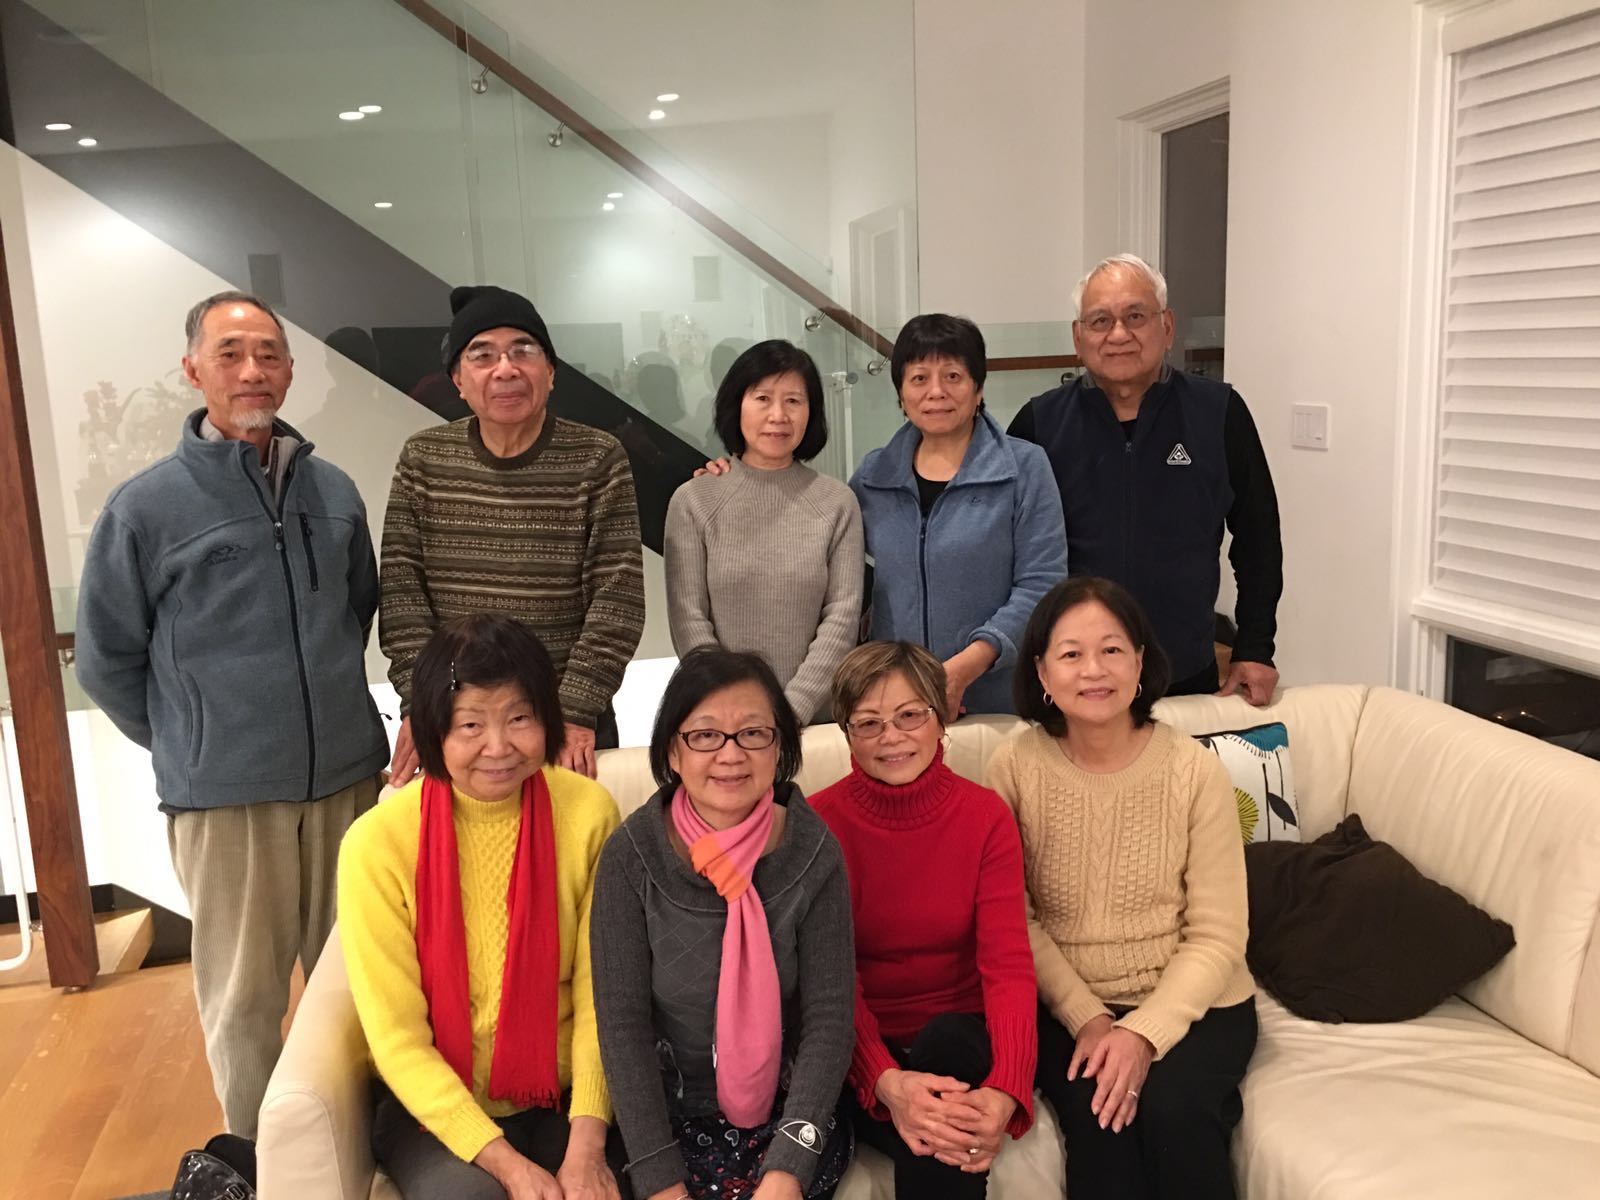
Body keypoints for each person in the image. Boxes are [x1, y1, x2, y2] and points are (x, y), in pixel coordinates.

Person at [74, 290, 388, 1138]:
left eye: (269, 355)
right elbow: (107, 659)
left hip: (350, 785)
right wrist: (195, 740)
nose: (252, 371)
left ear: (289, 370)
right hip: (224, 799)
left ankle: (354, 1153)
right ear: (193, 370)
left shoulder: (334, 490)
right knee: (245, 1001)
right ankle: (259, 1165)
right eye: (230, 353)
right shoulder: (145, 509)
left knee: (358, 983)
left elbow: (356, 613)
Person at [986, 577, 1257, 1200]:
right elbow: (1012, 919)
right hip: (1064, 1006)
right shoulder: (1014, 766)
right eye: (1071, 654)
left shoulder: (1193, 770)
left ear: (1140, 662)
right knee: (1102, 1122)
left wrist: (1145, 1032)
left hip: (1198, 1001)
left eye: (1112, 649)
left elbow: (1218, 935)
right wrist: (1089, 1019)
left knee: (1177, 1113)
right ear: (1043, 674)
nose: (1094, 670)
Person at [337, 614, 624, 1200]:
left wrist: (587, 1146)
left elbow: (606, 996)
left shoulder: (589, 814)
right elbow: (396, 1037)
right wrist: (510, 1168)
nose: (499, 747)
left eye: (519, 718)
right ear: (433, 731)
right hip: (433, 1107)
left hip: (565, 1097)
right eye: (471, 724)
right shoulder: (377, 843)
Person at [591, 648, 855, 1200]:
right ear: (673, 751)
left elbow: (829, 1019)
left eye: (754, 733)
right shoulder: (631, 857)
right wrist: (661, 1181)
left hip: (788, 1114)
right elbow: (623, 1029)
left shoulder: (813, 852)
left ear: (779, 745)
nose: (731, 755)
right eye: (706, 735)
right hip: (667, 1121)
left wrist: (787, 1168)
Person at [381, 285, 645, 782]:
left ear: (550, 371)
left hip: (565, 721)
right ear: (458, 380)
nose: (506, 369)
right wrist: (424, 701)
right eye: (482, 355)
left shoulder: (596, 458)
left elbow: (618, 597)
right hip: (459, 722)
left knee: (574, 855)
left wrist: (576, 707)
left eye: (523, 350)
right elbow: (401, 594)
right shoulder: (424, 458)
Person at [809, 641, 1036, 1197]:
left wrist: (1006, 1089)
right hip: (860, 1051)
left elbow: (1008, 967)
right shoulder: (817, 827)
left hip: (962, 1041)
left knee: (948, 1060)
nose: (892, 737)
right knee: (943, 1126)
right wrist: (887, 1083)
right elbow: (830, 982)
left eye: (911, 715)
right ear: (846, 734)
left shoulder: (985, 818)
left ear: (942, 719)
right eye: (869, 723)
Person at [1008, 254, 1283, 704]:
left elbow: (1259, 540)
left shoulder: (1220, 413)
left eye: (1135, 316)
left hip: (1183, 670)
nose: (1119, 334)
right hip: (1073, 679)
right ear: (1079, 337)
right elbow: (1009, 552)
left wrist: (1255, 647)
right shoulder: (1038, 424)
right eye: (1100, 321)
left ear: (1167, 327)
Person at [850, 314, 1067, 719]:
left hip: (1001, 701)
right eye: (918, 379)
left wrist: (965, 667)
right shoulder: (872, 477)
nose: (936, 392)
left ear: (978, 388)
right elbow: (827, 557)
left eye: (952, 376)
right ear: (901, 394)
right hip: (897, 704)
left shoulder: (1024, 468)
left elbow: (1042, 584)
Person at [664, 340, 864, 723]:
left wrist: (788, 714)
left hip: (812, 723)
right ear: (736, 405)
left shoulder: (838, 502)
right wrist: (738, 710)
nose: (778, 415)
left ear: (811, 413)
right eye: (762, 398)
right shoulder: (694, 500)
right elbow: (688, 617)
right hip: (717, 719)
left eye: (793, 401)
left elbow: (842, 617)